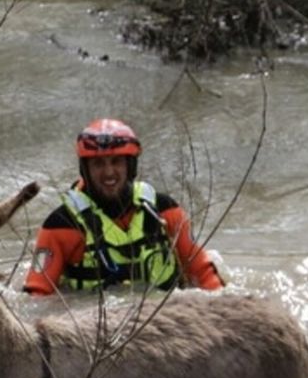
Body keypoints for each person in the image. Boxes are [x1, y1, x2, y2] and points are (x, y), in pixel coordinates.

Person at [23, 118, 224, 296]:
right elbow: (37, 296)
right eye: (98, 164)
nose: (109, 172)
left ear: (131, 166)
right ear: (85, 170)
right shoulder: (61, 226)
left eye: (116, 162)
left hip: (166, 322)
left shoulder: (165, 211)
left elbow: (203, 273)